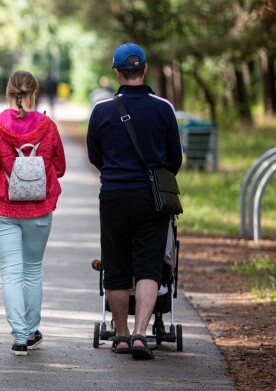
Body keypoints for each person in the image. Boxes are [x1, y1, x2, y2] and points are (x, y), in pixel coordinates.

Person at [86, 43, 182, 360]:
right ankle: (142, 334)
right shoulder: (163, 108)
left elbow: (95, 155)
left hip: (113, 195)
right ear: (144, 69)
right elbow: (174, 158)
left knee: (115, 267)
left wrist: (115, 173)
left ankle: (122, 335)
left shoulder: (101, 110)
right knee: (148, 267)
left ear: (116, 72)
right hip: (151, 198)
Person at [0, 70, 66, 356]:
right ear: (34, 93)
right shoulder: (48, 127)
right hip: (39, 208)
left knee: (11, 272)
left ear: (8, 93)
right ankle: (31, 330)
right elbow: (60, 168)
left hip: (2, 208)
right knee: (32, 270)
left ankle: (19, 337)